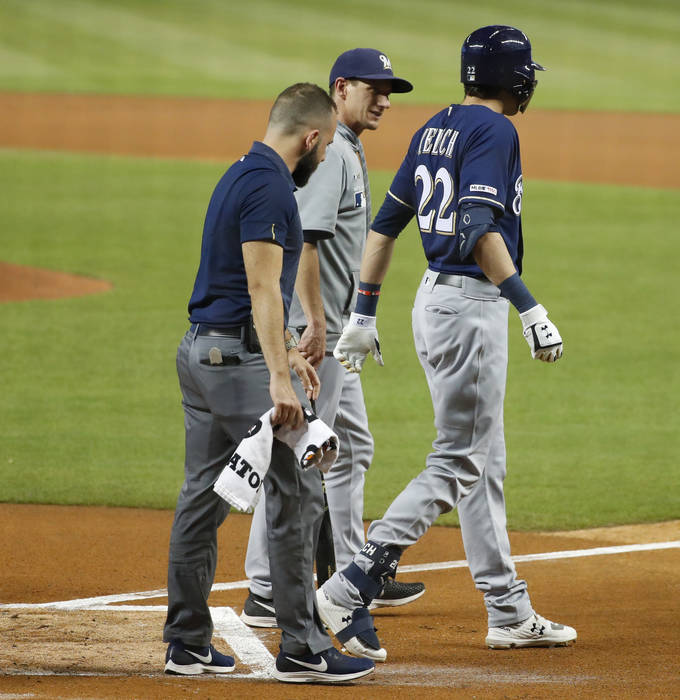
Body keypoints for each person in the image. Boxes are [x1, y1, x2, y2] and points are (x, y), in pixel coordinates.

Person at [312, 25, 576, 661]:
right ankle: (352, 582)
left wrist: (363, 313)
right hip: (470, 305)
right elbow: (480, 225)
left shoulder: (436, 125)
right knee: (457, 458)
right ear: (514, 78)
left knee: (483, 462)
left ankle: (507, 610)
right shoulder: (497, 131)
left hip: (429, 303)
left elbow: (385, 226)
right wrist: (528, 304)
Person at [163, 83, 374, 684]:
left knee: (202, 495)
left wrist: (282, 354)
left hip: (205, 353)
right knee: (299, 489)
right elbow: (260, 287)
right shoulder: (270, 186)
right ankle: (304, 647)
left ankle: (186, 642)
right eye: (327, 142)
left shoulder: (240, 171)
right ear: (310, 138)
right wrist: (280, 377)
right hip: (238, 363)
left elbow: (249, 287)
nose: (326, 152)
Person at [240, 49, 426, 631]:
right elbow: (311, 244)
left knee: (353, 448)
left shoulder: (346, 148)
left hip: (337, 331)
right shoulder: (333, 154)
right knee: (297, 451)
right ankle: (267, 587)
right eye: (375, 89)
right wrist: (317, 323)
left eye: (389, 91)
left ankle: (351, 573)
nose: (385, 101)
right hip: (317, 334)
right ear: (341, 88)